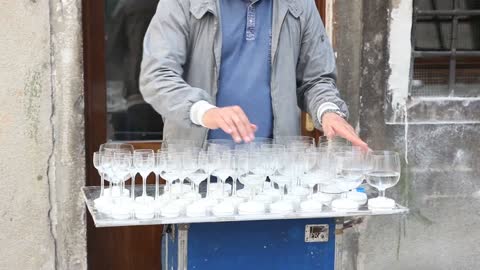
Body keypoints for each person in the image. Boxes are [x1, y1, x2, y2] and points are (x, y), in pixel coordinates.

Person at [140, 0, 368, 150]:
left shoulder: (300, 4)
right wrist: (204, 111)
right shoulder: (181, 2)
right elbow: (157, 76)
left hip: (277, 174)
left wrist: (328, 111)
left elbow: (316, 79)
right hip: (196, 172)